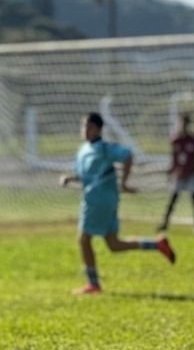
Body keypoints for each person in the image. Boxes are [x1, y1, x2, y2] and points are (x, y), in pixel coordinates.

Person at [60, 112, 175, 295]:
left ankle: (93, 284)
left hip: (99, 201)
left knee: (84, 239)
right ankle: (157, 244)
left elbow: (127, 155)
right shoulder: (83, 150)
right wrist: (70, 178)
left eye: (89, 126)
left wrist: (124, 183)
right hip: (98, 200)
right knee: (114, 244)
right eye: (83, 126)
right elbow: (86, 175)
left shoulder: (104, 148)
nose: (85, 130)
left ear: (99, 129)